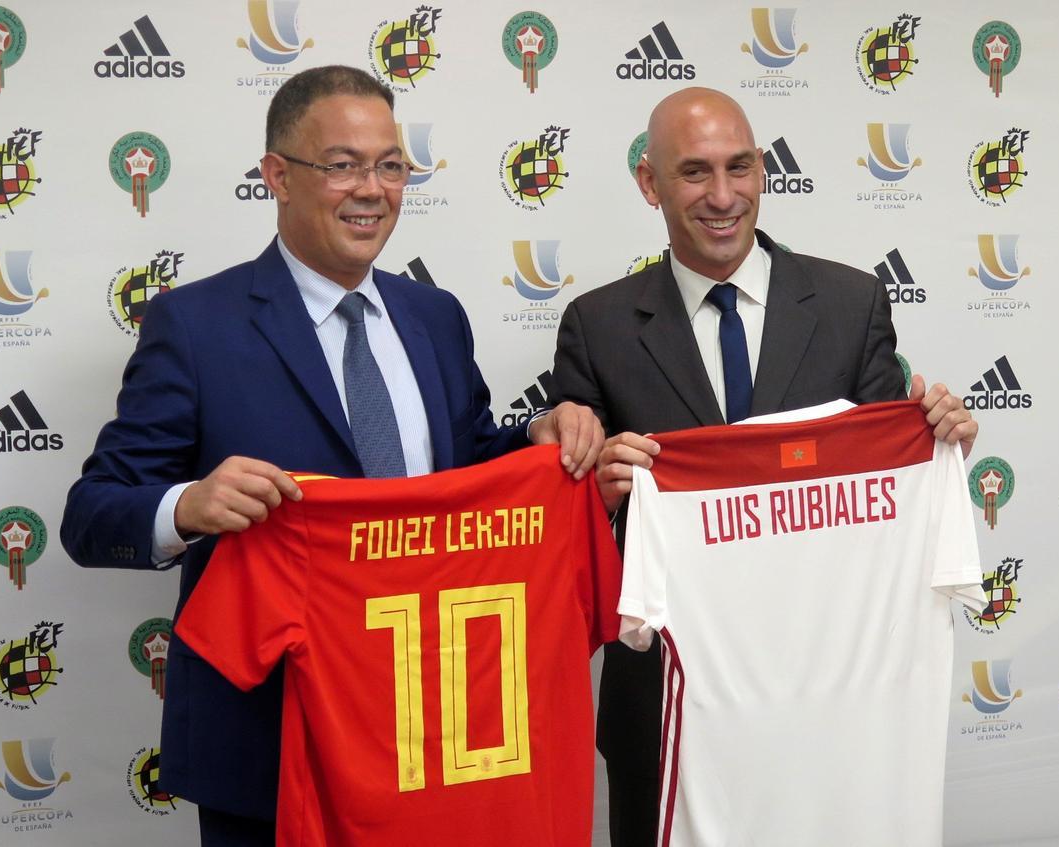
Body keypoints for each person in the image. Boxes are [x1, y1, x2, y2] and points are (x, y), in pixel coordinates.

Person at [60, 65, 602, 847]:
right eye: (342, 164)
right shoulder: (195, 324)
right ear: (278, 176)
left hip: (434, 737)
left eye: (390, 165)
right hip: (271, 747)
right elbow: (91, 512)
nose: (372, 188)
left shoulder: (435, 316)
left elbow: (467, 465)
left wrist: (537, 436)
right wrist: (187, 506)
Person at [551, 87, 977, 847]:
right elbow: (565, 511)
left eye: (740, 167)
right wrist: (598, 483)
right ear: (650, 184)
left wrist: (936, 447)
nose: (723, 196)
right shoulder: (599, 325)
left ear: (763, 170)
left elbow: (888, 496)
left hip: (832, 696)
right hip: (666, 712)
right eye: (694, 173)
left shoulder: (852, 303)